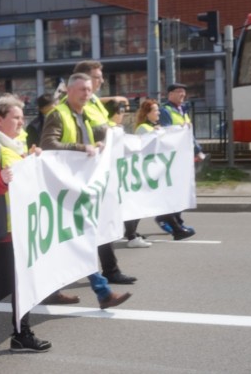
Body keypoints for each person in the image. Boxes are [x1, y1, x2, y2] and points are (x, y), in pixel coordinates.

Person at [40, 72, 132, 310]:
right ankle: (103, 292)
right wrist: (83, 147)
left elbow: (85, 144)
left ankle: (53, 289)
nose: (87, 94)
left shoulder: (83, 115)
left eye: (89, 90)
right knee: (80, 239)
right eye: (82, 90)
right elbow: (49, 144)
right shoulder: (58, 114)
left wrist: (97, 146)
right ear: (69, 91)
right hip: (62, 188)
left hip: (78, 185)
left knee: (74, 240)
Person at [0, 95, 51, 352]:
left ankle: (21, 333)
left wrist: (33, 159)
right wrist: (1, 179)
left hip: (21, 227)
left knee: (18, 282)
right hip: (4, 229)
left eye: (22, 117)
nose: (22, 122)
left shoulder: (16, 145)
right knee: (9, 283)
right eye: (16, 117)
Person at [70, 60, 136, 285]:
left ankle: (109, 270)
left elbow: (103, 125)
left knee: (100, 221)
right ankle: (101, 274)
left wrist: (113, 130)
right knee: (86, 226)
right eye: (97, 77)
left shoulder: (95, 101)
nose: (101, 81)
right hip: (83, 172)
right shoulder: (75, 104)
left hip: (98, 170)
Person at [157, 83, 200, 240]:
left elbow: (188, 133)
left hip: (183, 156)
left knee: (181, 191)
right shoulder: (165, 110)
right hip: (172, 158)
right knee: (173, 191)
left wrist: (198, 149)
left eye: (184, 91)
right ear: (170, 95)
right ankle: (167, 219)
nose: (182, 94)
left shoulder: (182, 110)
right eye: (178, 91)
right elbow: (168, 132)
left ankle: (176, 221)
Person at [121, 98, 161, 249]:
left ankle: (131, 233)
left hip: (145, 170)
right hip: (140, 172)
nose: (158, 112)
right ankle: (131, 235)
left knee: (138, 205)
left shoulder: (151, 127)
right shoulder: (144, 128)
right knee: (136, 204)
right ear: (147, 113)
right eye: (155, 110)